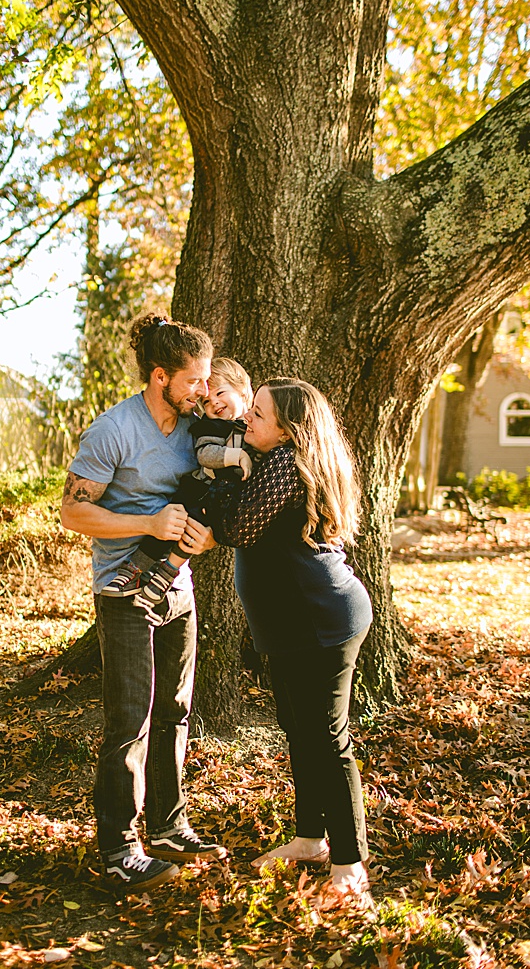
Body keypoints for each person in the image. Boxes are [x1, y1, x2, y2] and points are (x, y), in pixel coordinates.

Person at [60, 313, 228, 891]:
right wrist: (149, 523)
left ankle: (167, 826)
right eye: (195, 381)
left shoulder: (195, 428)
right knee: (128, 718)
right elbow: (73, 513)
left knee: (175, 713)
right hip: (124, 592)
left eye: (207, 382)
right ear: (161, 377)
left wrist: (206, 537)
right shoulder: (112, 430)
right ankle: (117, 847)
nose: (204, 391)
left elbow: (212, 496)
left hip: (178, 589)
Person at [212, 378, 373, 904]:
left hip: (322, 622)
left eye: (257, 414)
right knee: (298, 731)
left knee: (328, 739)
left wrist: (217, 485)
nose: (246, 421)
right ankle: (310, 839)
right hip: (289, 626)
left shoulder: (284, 462)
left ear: (288, 429)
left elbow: (236, 525)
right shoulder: (272, 455)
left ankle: (350, 868)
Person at [101, 357, 256, 615]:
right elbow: (205, 454)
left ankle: (165, 575)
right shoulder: (210, 427)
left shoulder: (254, 428)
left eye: (220, 393)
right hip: (197, 492)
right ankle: (133, 570)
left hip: (222, 504)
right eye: (206, 401)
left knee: (192, 535)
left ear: (242, 391)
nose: (214, 402)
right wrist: (235, 456)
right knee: (170, 528)